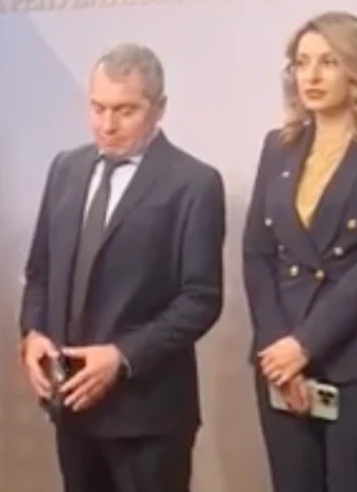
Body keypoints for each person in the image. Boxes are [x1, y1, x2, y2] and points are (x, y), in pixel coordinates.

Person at [18, 43, 226, 492]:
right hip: (72, 407)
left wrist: (121, 356)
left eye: (125, 111)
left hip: (147, 418)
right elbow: (40, 272)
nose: (107, 125)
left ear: (159, 108)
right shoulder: (66, 169)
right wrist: (33, 335)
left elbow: (200, 300)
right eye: (97, 108)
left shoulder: (194, 183)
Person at [242, 10, 357, 492]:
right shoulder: (278, 146)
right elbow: (258, 254)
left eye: (328, 62)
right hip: (280, 361)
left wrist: (305, 344)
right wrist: (277, 348)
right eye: (302, 63)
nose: (312, 76)